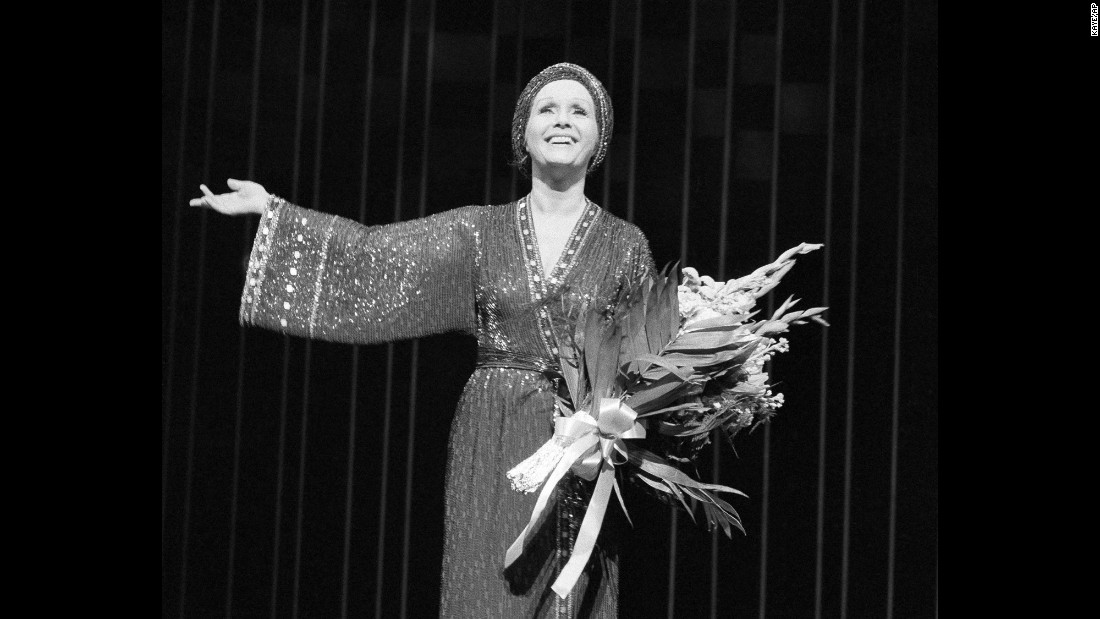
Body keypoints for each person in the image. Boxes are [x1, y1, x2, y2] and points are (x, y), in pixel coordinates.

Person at [191, 62, 654, 618]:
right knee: (487, 595)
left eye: (579, 110)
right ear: (522, 134)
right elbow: (374, 258)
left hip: (581, 451)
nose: (562, 120)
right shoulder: (478, 233)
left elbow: (648, 361)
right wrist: (273, 211)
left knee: (572, 593)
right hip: (494, 433)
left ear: (599, 136)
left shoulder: (626, 246)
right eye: (546, 109)